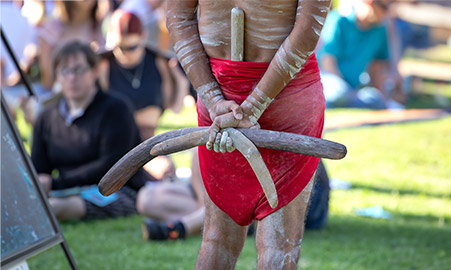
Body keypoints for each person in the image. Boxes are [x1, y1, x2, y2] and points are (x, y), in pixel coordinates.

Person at [167, 0, 330, 268]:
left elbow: (179, 20)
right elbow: (178, 18)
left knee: (220, 241)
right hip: (229, 95)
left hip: (244, 98)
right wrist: (223, 102)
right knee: (269, 247)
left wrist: (217, 101)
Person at [30, 41, 149, 221]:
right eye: (65, 71)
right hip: (66, 191)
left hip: (116, 190)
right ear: (57, 76)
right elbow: (40, 168)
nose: (72, 77)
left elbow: (112, 166)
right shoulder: (46, 117)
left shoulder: (116, 109)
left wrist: (55, 184)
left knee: (56, 208)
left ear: (95, 71)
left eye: (78, 70)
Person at [99, 9, 190, 181]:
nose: (125, 53)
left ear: (143, 37)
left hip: (149, 141)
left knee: (167, 173)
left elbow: (175, 107)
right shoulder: (105, 66)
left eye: (132, 47)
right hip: (119, 142)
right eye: (119, 47)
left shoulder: (158, 62)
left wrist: (181, 82)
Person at [317, 0, 404, 109]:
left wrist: (384, 100)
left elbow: (376, 68)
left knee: (374, 98)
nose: (387, 13)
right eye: (384, 7)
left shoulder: (380, 30)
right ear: (370, 4)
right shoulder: (339, 20)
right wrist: (349, 91)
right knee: (338, 93)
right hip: (327, 82)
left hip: (353, 89)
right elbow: (327, 62)